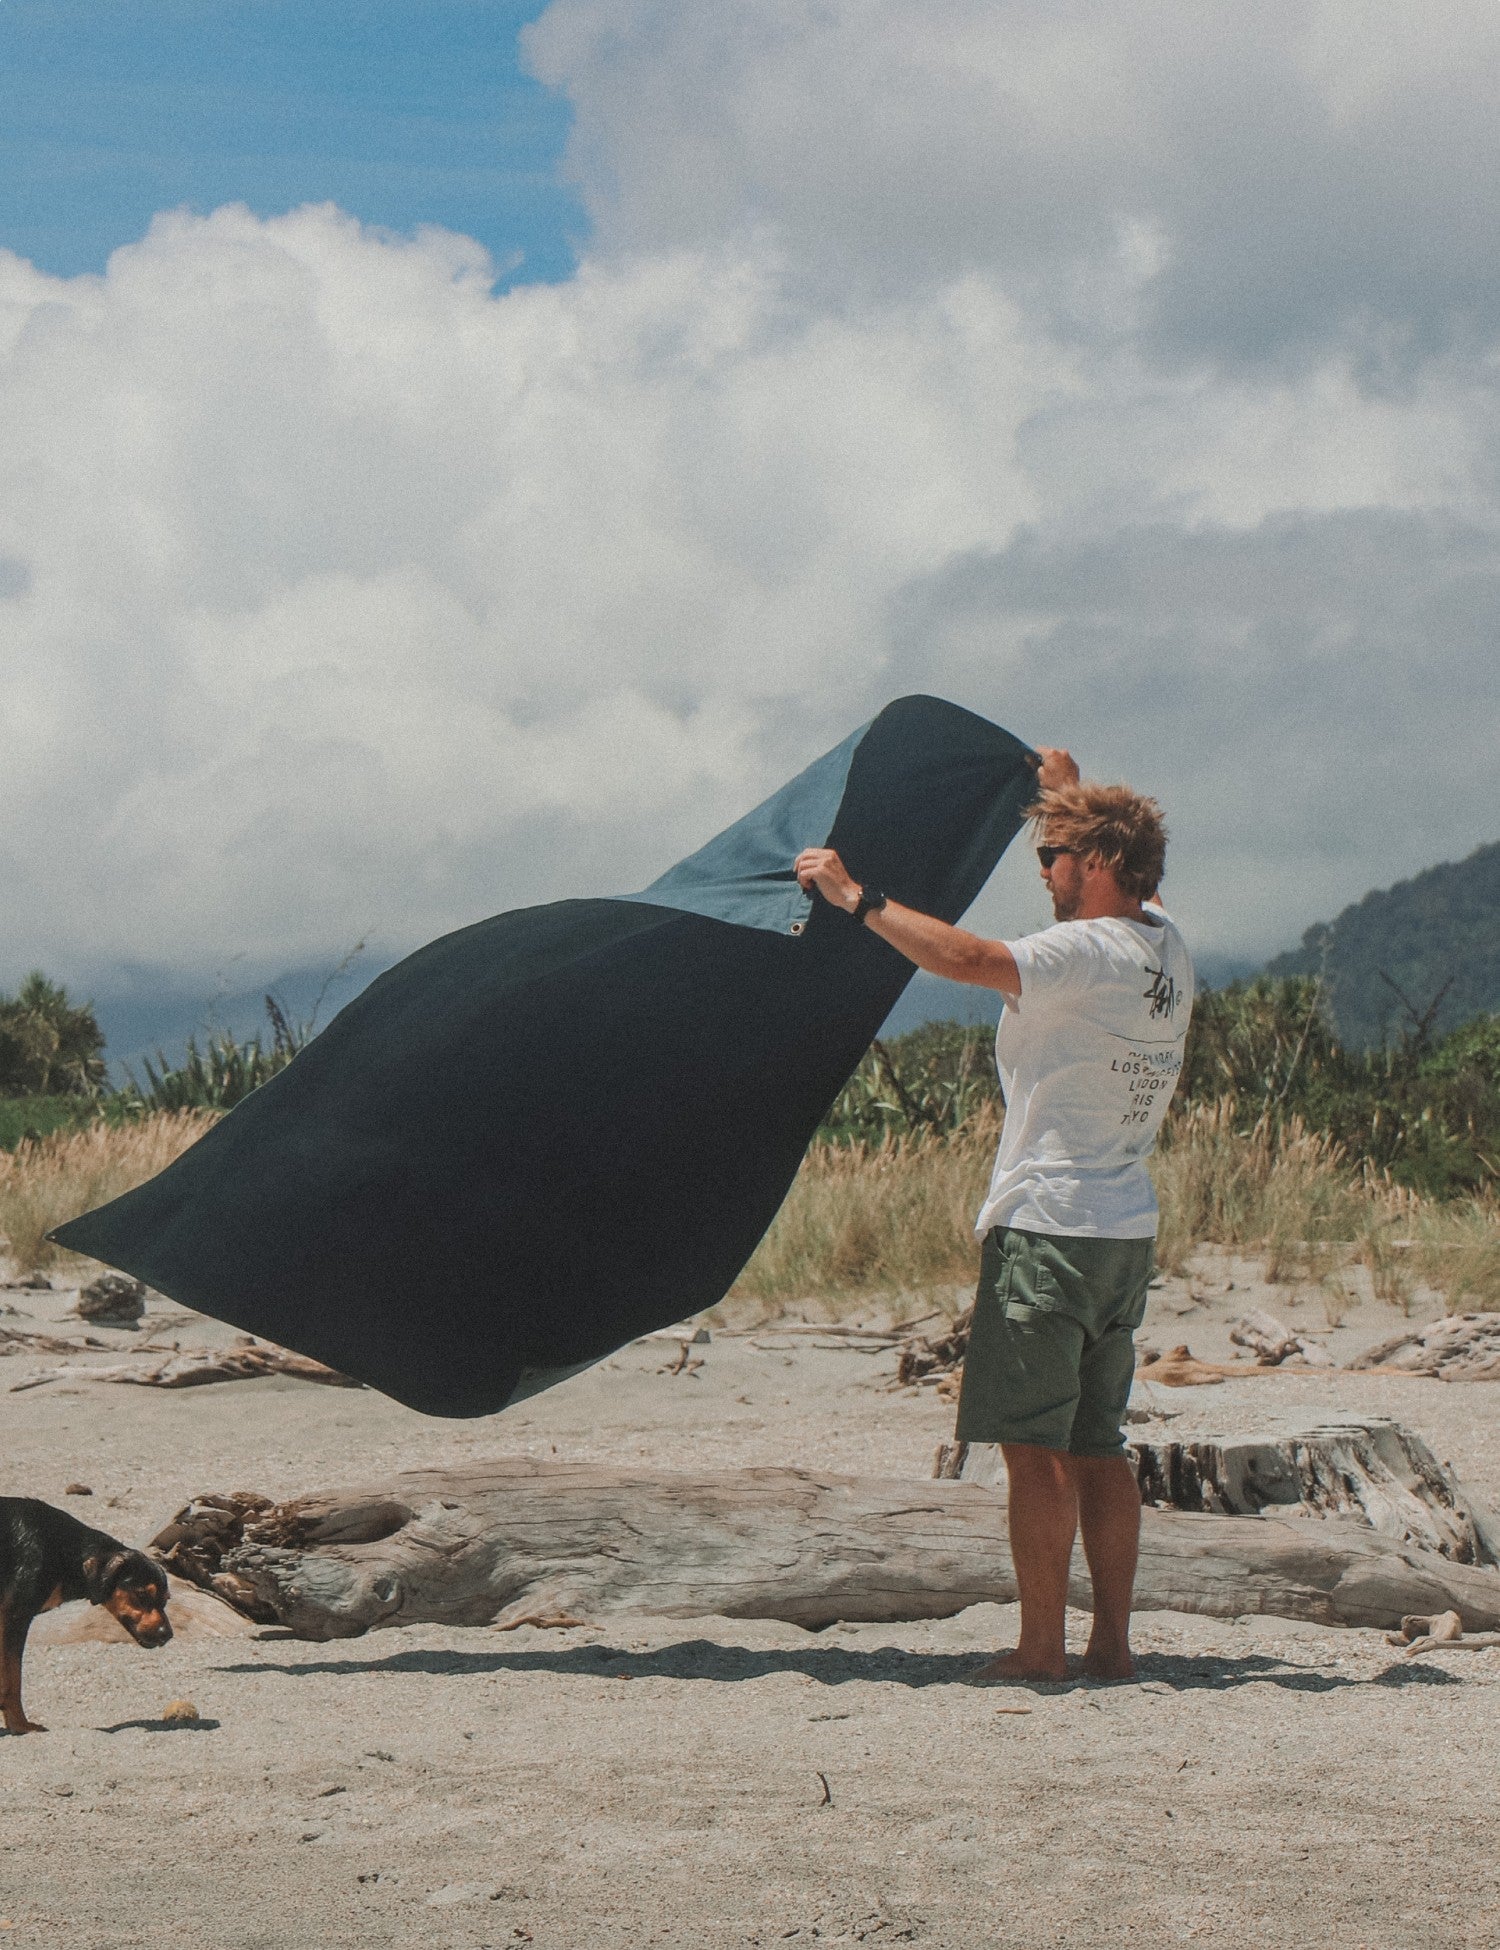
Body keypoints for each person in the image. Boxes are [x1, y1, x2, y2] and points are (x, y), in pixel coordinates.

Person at [794, 747, 1193, 1682]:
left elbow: (968, 958)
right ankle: (1111, 1645)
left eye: (1052, 858)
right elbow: (1095, 855)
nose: (1044, 874)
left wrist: (857, 897)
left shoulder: (1079, 951)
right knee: (1100, 1447)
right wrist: (1064, 790)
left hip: (1049, 1224)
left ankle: (1040, 1649)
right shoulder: (1162, 943)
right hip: (1122, 1230)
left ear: (1095, 866)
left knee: (1032, 1450)